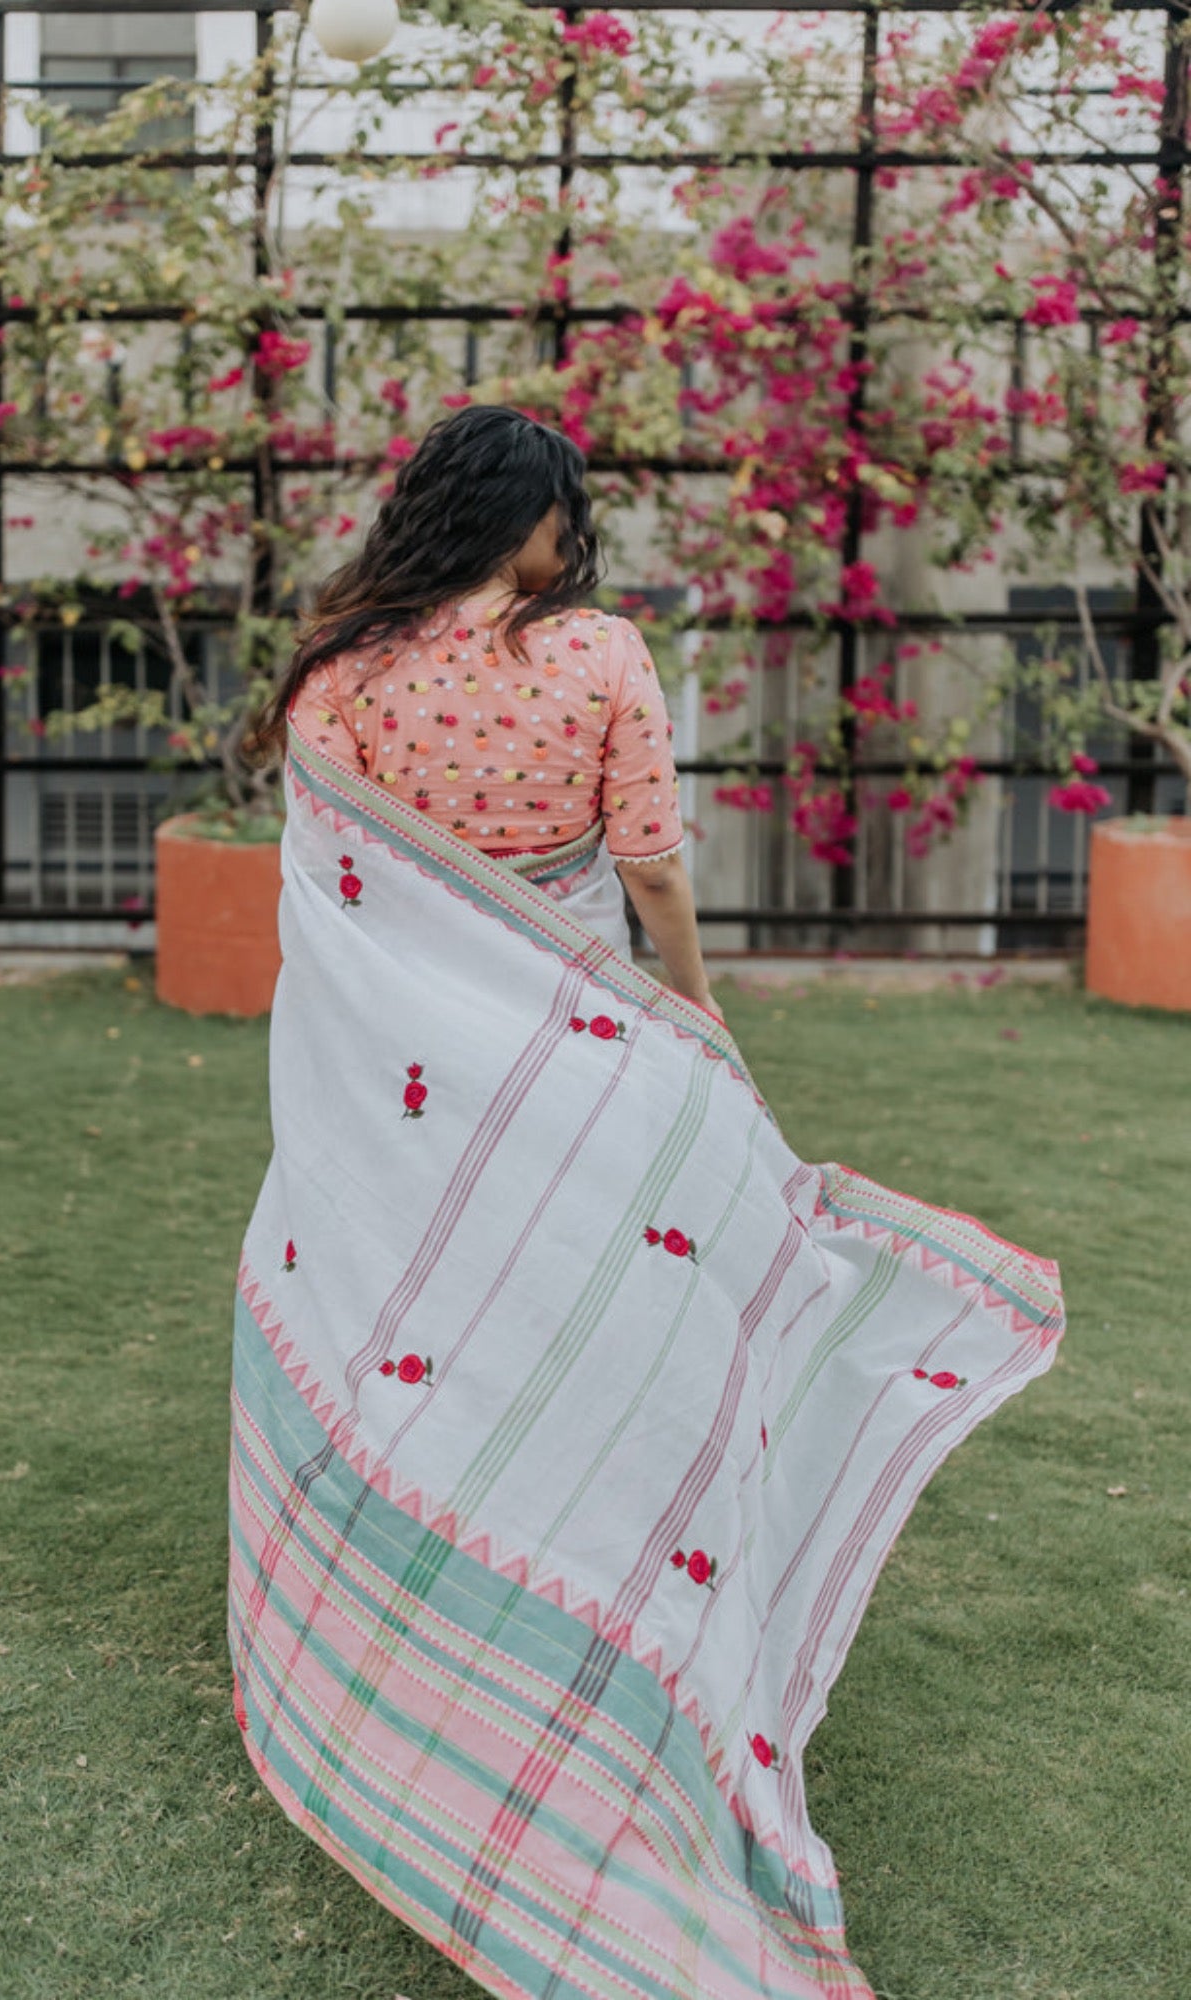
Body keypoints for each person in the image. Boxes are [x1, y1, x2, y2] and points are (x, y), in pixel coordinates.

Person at [227, 406, 1065, 2000]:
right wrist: (693, 1014)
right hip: (581, 1047)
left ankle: (398, 1644)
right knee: (600, 1316)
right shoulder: (597, 652)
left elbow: (339, 902)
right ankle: (607, 1598)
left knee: (419, 1321)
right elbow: (653, 864)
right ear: (525, 522)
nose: (576, 536)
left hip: (413, 1081)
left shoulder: (342, 674)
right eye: (566, 513)